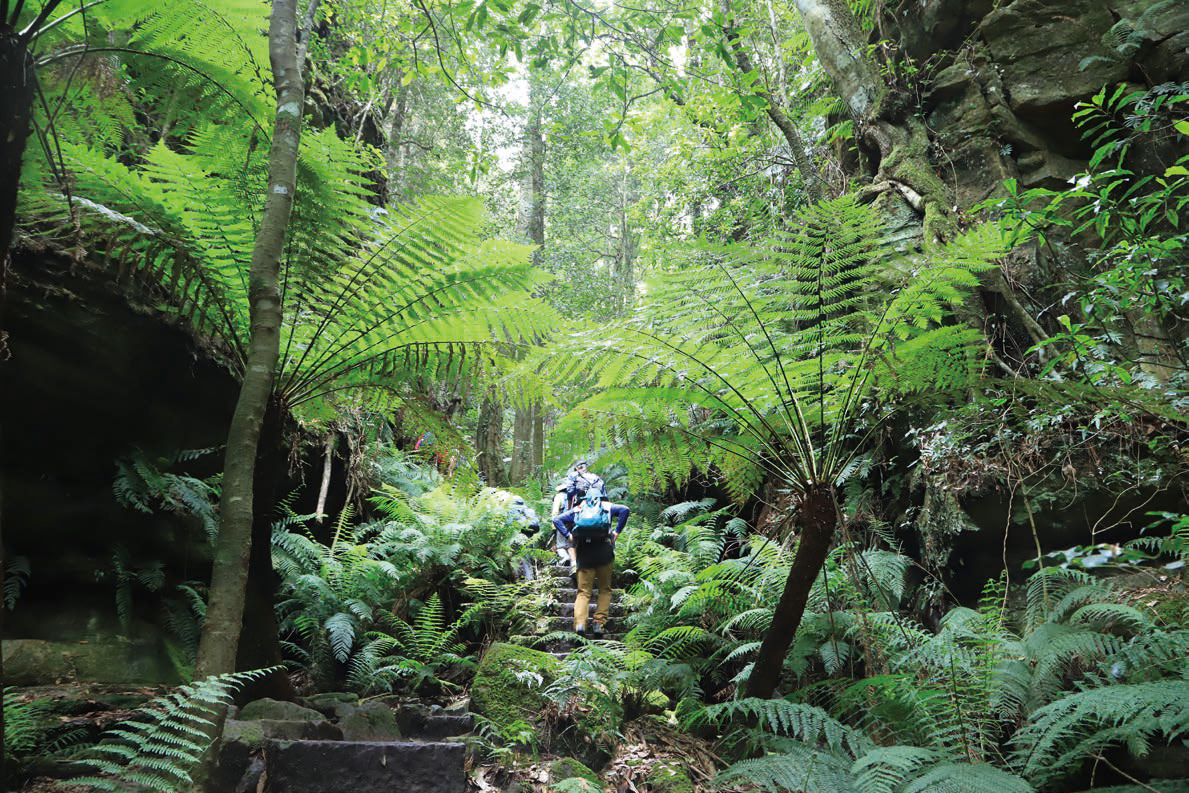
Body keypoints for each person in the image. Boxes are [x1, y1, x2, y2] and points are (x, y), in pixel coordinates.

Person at [553, 484, 629, 637]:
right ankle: (598, 624)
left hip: (584, 554)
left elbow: (557, 519)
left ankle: (580, 624)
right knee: (605, 589)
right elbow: (625, 510)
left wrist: (568, 536)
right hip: (604, 553)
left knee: (583, 592)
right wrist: (616, 532)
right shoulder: (607, 507)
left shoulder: (578, 509)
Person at [551, 482, 576, 568]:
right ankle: (574, 563)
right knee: (571, 543)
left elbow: (555, 512)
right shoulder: (574, 496)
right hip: (573, 522)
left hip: (561, 522)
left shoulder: (559, 496)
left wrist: (554, 526)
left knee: (560, 545)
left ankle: (565, 558)